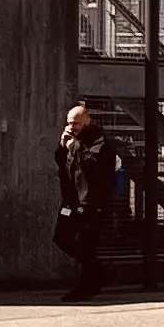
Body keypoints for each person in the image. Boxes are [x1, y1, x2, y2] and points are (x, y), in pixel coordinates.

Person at [54, 102, 122, 298]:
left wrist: (73, 146)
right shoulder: (72, 140)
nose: (71, 127)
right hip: (71, 200)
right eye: (69, 123)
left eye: (76, 123)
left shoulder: (99, 141)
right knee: (62, 238)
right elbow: (62, 162)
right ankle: (95, 272)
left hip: (90, 202)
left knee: (86, 245)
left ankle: (87, 285)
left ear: (86, 122)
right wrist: (62, 146)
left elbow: (91, 165)